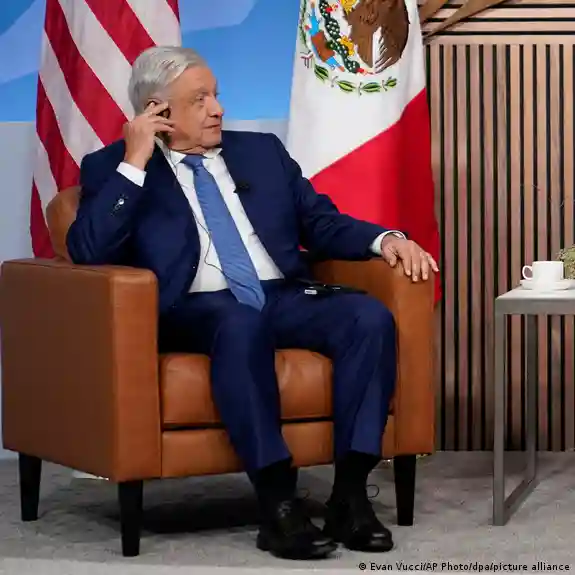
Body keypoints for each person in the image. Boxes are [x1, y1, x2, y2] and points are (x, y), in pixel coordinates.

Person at [66, 46, 438, 560]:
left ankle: (349, 496)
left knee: (367, 316)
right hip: (193, 307)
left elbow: (320, 221)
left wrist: (385, 239)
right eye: (200, 100)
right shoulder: (114, 167)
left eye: (216, 96)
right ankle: (278, 503)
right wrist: (134, 161)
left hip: (280, 294)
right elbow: (88, 250)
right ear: (158, 111)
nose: (218, 109)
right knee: (240, 322)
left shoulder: (261, 152)